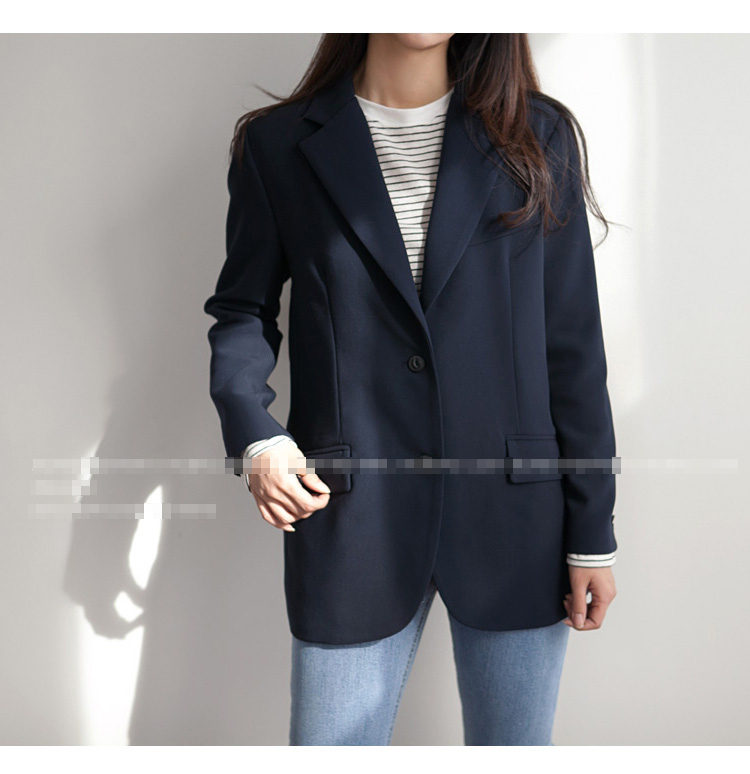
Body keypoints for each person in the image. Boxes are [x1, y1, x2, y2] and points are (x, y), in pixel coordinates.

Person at [204, 33, 619, 745]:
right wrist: (257, 436)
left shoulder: (536, 134)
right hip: (349, 514)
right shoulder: (277, 145)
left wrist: (593, 535)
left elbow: (573, 345)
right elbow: (242, 311)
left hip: (515, 518)